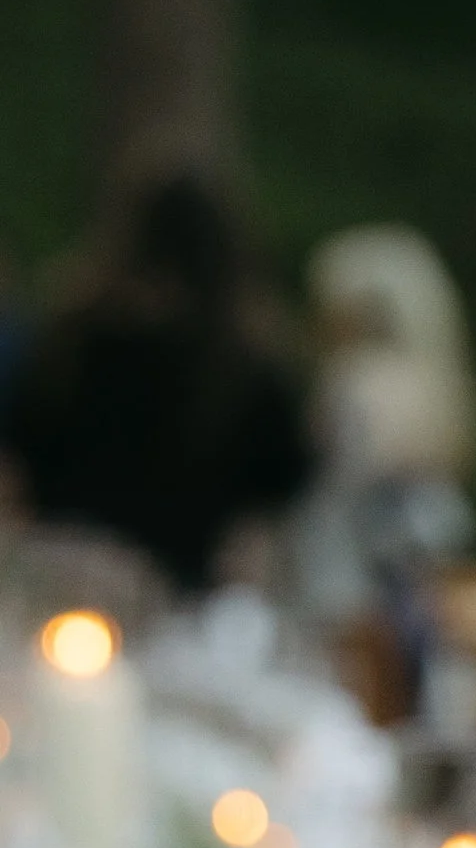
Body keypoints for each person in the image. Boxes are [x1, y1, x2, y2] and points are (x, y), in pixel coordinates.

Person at [0, 173, 312, 593]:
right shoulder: (247, 365)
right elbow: (283, 484)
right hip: (189, 586)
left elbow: (25, 448)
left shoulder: (72, 342)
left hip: (73, 568)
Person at [294, 227, 476, 699]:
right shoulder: (430, 382)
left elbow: (352, 496)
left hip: (358, 581)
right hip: (421, 575)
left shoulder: (354, 382)